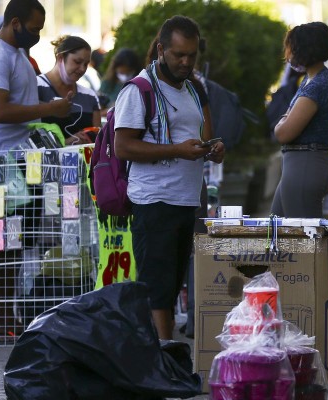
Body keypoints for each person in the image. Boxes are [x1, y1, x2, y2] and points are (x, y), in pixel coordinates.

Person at [113, 15, 224, 340]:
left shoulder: (193, 88)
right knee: (157, 287)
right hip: (154, 201)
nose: (186, 62)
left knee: (173, 283)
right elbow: (123, 146)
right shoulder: (139, 90)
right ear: (161, 49)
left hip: (185, 199)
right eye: (178, 54)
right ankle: (164, 354)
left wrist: (213, 148)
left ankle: (164, 354)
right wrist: (176, 150)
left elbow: (204, 136)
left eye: (191, 55)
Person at [0, 0, 70, 343]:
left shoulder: (16, 56)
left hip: (17, 162)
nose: (38, 34)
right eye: (34, 28)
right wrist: (48, 108)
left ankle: (5, 318)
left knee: (12, 244)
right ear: (15, 23)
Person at [272, 22, 328, 218]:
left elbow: (284, 132)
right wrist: (285, 119)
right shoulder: (311, 80)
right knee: (279, 234)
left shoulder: (317, 85)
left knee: (302, 241)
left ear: (304, 49)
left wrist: (282, 121)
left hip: (306, 163)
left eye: (290, 48)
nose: (288, 54)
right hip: (299, 163)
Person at [37, 35, 101, 143]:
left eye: (86, 64)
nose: (82, 69)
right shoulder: (35, 86)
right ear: (60, 57)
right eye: (77, 62)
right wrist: (67, 142)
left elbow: (99, 140)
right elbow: (29, 136)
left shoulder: (89, 96)